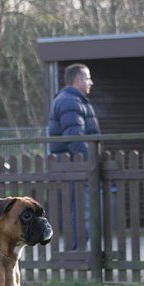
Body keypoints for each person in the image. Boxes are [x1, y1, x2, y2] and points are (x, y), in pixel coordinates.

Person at [47, 63, 100, 250]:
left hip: (73, 164)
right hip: (76, 165)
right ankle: (80, 251)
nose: (90, 82)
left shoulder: (72, 100)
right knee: (81, 209)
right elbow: (76, 138)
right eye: (87, 78)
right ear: (78, 80)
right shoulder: (71, 102)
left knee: (80, 208)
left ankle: (81, 250)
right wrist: (89, 163)